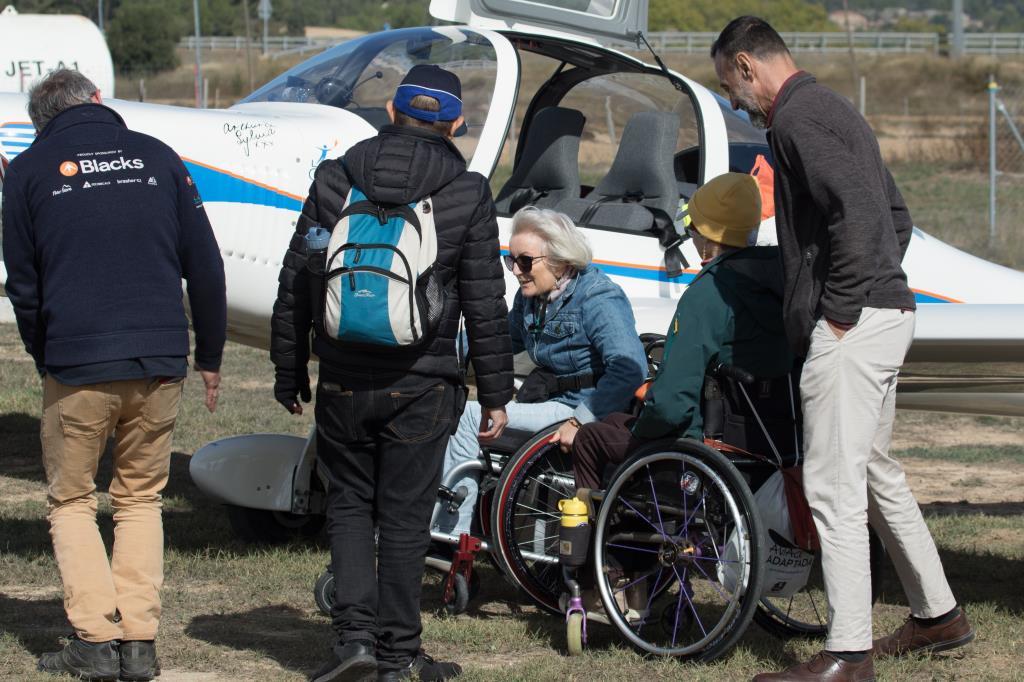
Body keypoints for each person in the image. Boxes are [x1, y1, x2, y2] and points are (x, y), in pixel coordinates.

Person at [711, 17, 974, 682]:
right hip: (885, 313)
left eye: (731, 87)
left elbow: (858, 215)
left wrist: (838, 315)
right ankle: (938, 615)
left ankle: (847, 654)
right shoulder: (836, 110)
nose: (737, 103)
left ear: (747, 66)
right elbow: (897, 219)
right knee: (875, 474)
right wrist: (874, 289)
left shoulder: (797, 120)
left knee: (830, 482)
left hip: (855, 328)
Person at [270, 64, 514, 682]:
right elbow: (485, 302)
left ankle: (353, 642)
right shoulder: (467, 191)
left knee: (350, 508)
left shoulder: (336, 177)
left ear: (389, 108)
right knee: (405, 519)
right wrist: (496, 393)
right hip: (424, 383)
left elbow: (298, 276)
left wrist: (288, 367)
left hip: (344, 377)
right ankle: (399, 656)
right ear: (455, 121)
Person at [1, 69, 226, 682]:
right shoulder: (160, 158)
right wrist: (209, 355)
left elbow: (23, 284)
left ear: (41, 121)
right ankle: (140, 640)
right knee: (139, 499)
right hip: (158, 360)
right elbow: (205, 265)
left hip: (77, 360)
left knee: (72, 500)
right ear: (99, 101)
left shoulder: (25, 172)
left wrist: (44, 354)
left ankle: (96, 641)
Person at [434, 206, 647, 537]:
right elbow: (495, 340)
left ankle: (448, 536)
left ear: (559, 260)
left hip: (581, 409)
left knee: (468, 417)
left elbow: (630, 368)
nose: (516, 271)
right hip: (550, 401)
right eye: (512, 260)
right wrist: (435, 350)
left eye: (525, 261)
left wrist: (581, 420)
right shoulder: (532, 299)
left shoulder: (598, 296)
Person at [571, 172, 790, 494]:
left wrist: (645, 421)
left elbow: (671, 405)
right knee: (618, 422)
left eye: (692, 229)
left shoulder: (710, 293)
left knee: (591, 437)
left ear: (708, 235)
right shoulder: (782, 282)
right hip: (771, 438)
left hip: (704, 445)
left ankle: (588, 538)